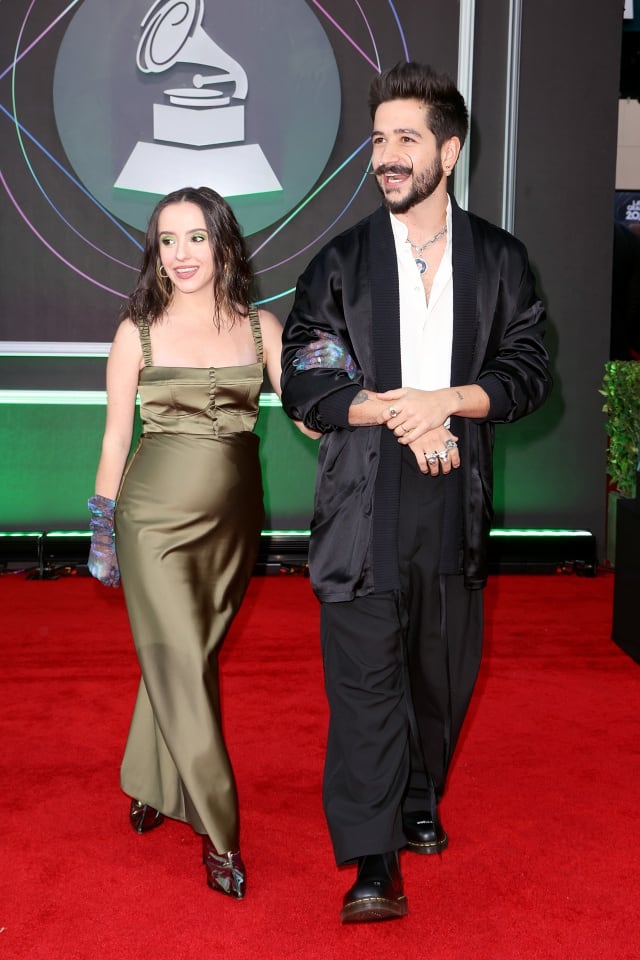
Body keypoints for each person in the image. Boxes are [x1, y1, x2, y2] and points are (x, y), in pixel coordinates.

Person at [280, 62, 551, 923]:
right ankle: (372, 862)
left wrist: (449, 403)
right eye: (379, 140)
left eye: (406, 139)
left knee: (439, 675)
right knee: (364, 682)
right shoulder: (340, 263)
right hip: (364, 501)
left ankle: (418, 793)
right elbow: (308, 377)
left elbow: (528, 372)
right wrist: (401, 414)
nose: (387, 156)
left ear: (450, 149)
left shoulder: (501, 260)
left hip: (454, 498)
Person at [88, 185, 317, 899]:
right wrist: (102, 527)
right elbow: (117, 437)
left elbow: (309, 419)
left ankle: (151, 779)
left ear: (222, 243)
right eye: (166, 240)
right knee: (182, 663)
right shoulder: (138, 331)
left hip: (234, 524)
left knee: (188, 654)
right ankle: (220, 836)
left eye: (195, 238)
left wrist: (359, 402)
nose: (181, 254)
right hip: (152, 521)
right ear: (154, 252)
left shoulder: (262, 328)